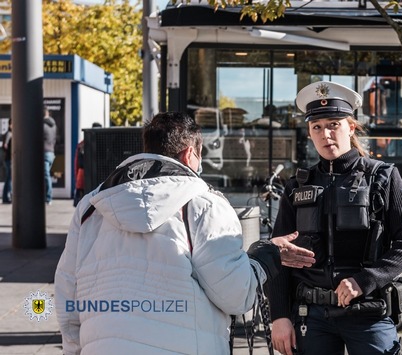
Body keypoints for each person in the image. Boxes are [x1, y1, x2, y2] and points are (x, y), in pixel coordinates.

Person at [54, 111, 282, 355]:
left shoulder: (91, 207)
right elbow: (235, 296)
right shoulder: (204, 204)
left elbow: (67, 292)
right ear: (189, 154)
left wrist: (75, 350)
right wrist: (262, 260)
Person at [267, 81, 402, 355]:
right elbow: (279, 256)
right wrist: (279, 317)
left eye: (333, 124)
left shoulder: (382, 177)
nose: (325, 134)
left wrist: (365, 280)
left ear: (351, 127)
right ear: (309, 133)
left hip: (368, 312)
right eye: (317, 127)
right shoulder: (297, 186)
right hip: (311, 317)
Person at [73, 122, 102, 206]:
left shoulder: (82, 144)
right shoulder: (103, 143)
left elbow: (77, 163)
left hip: (83, 176)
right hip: (91, 176)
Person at [43, 107, 57, 204]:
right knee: (46, 175)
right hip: (51, 152)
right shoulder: (54, 125)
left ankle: (48, 198)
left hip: (44, 152)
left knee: (45, 175)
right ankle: (47, 197)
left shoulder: (42, 125)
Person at [2, 119, 11, 204]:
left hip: (8, 159)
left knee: (9, 178)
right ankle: (7, 196)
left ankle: (6, 197)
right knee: (9, 178)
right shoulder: (9, 134)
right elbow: (5, 146)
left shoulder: (9, 134)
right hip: (9, 159)